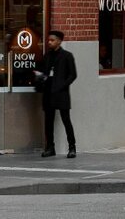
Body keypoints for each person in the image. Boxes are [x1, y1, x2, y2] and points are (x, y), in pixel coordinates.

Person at [38, 30, 77, 159]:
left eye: (52, 40)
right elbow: (43, 71)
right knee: (48, 121)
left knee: (66, 120)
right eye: (49, 40)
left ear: (59, 41)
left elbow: (73, 75)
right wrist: (40, 77)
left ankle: (72, 147)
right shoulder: (47, 56)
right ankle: (50, 147)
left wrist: (62, 85)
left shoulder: (67, 56)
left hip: (61, 93)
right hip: (48, 92)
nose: (49, 42)